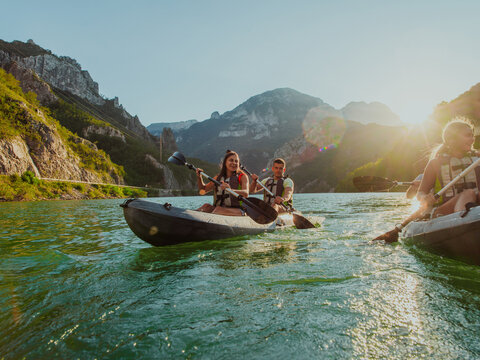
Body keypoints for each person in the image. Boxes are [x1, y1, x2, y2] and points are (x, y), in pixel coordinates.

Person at [417, 117, 480, 216]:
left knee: (472, 194)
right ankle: (464, 223)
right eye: (468, 136)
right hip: (444, 211)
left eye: (473, 136)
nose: (472, 139)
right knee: (469, 193)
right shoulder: (436, 163)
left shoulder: (477, 160)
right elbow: (420, 192)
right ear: (451, 139)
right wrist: (424, 198)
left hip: (475, 206)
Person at [195, 150, 249, 216]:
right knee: (206, 207)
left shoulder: (242, 177)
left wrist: (231, 190)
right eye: (231, 160)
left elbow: (246, 193)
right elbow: (202, 190)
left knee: (218, 210)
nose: (234, 163)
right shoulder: (218, 178)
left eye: (236, 161)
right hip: (219, 209)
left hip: (238, 210)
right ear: (225, 163)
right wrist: (199, 177)